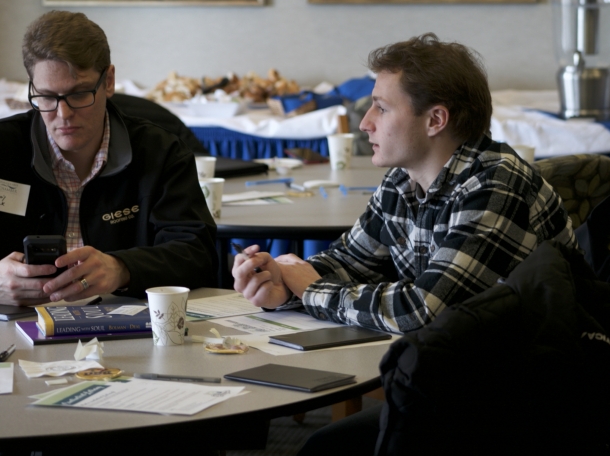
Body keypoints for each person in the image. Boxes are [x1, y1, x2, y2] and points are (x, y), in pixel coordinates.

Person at [233, 33, 577, 333]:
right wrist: (278, 281)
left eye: (381, 108)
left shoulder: (498, 185)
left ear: (435, 120)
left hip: (532, 388)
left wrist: (309, 289)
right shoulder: (401, 181)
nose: (365, 123)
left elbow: (424, 311)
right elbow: (349, 263)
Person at [0, 10, 216, 305]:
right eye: (47, 97)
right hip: (4, 336)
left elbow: (197, 252)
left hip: (126, 336)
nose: (63, 115)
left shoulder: (160, 152)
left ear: (109, 81)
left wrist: (123, 269)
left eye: (79, 94)